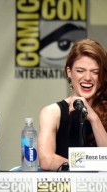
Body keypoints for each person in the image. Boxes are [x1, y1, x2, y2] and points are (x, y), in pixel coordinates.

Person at [38, 38, 107, 171]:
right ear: (69, 72)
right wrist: (90, 167)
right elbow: (46, 160)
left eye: (95, 72)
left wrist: (93, 118)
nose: (87, 77)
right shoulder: (52, 112)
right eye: (80, 70)